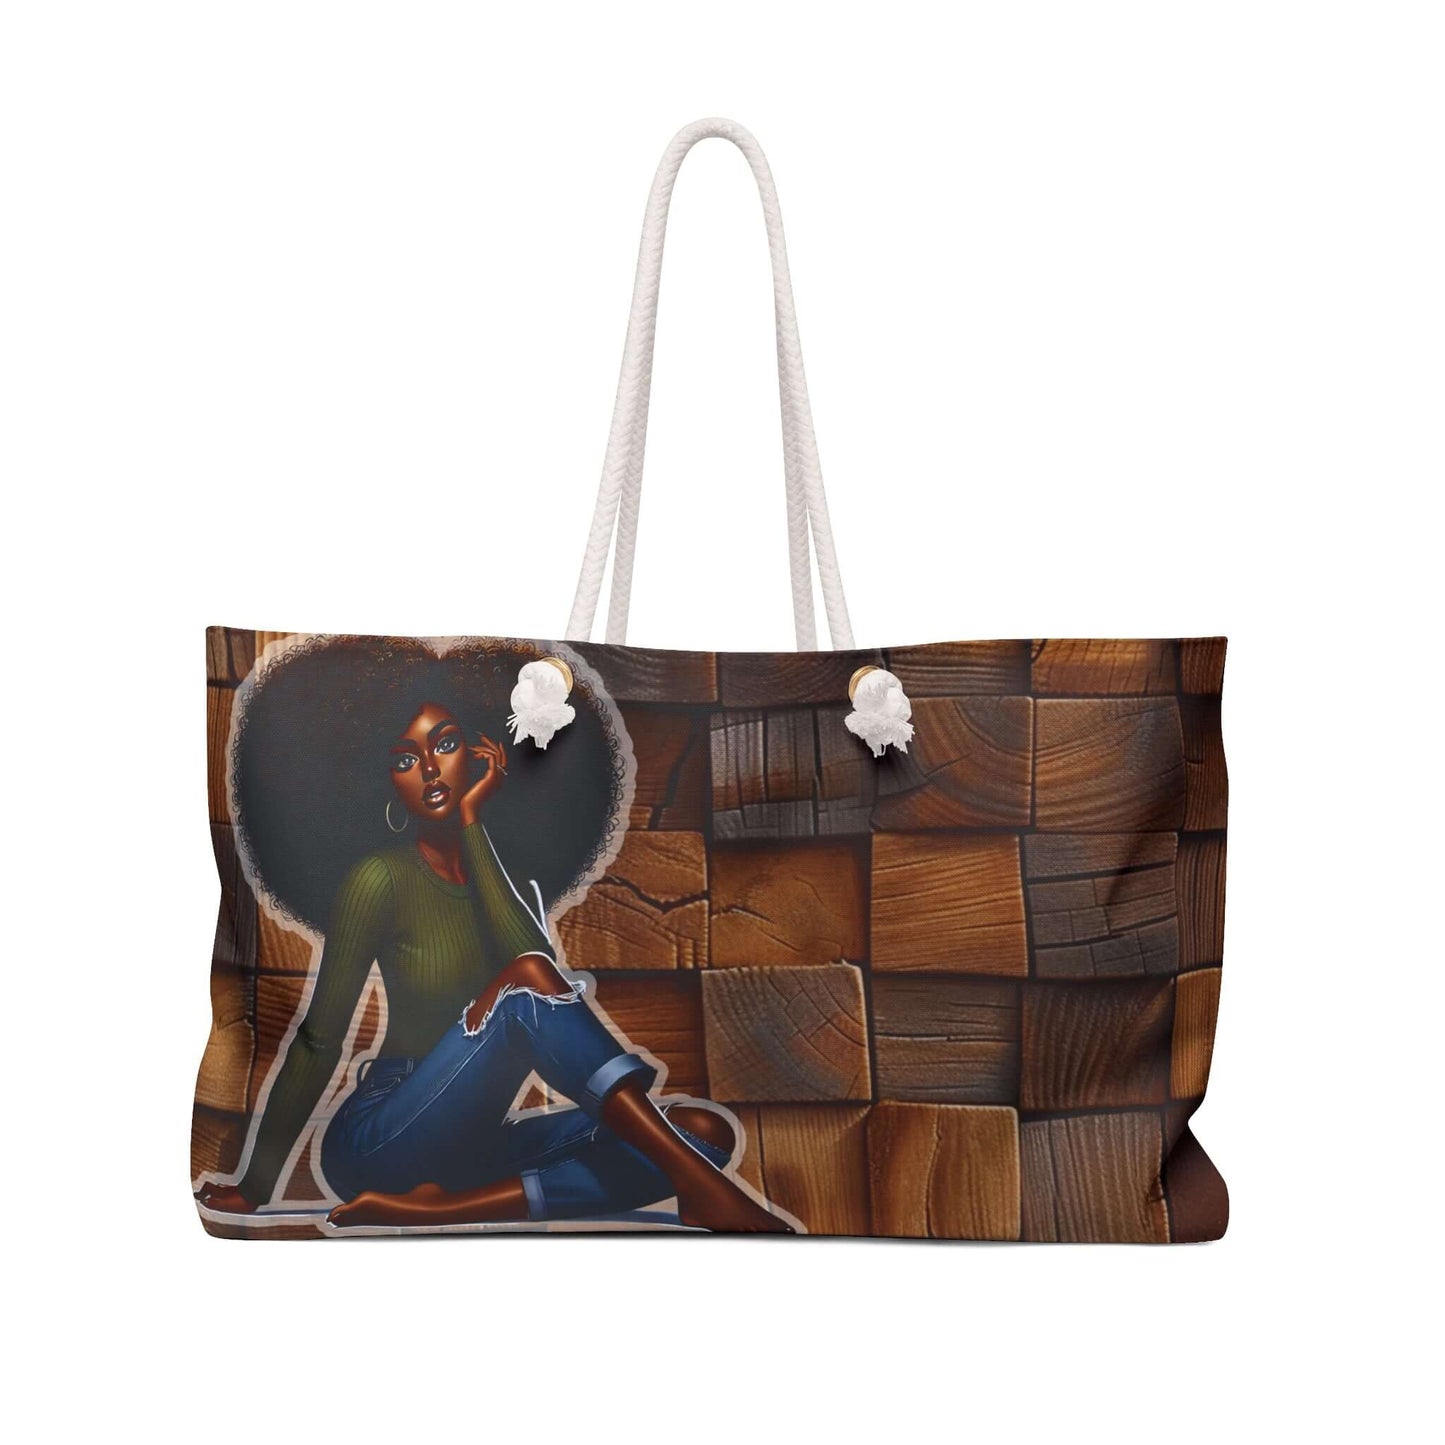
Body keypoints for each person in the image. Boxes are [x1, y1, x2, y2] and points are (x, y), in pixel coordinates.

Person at [198, 699, 789, 1232]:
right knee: (530, 987)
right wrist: (255, 1187)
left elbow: (536, 967)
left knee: (702, 1133)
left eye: (446, 745)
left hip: (472, 1148)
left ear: (483, 755)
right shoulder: (379, 879)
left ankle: (439, 1209)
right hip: (381, 1142)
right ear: (385, 781)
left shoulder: (501, 879)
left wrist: (472, 819)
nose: (431, 770)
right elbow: (317, 1040)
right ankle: (703, 1189)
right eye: (406, 759)